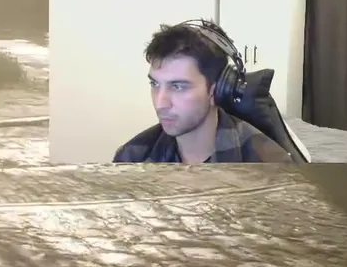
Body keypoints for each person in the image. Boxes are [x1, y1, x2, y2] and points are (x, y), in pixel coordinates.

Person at [113, 22, 292, 163]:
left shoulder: (268, 164)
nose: (160, 104)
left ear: (217, 90)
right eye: (155, 84)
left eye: (178, 86)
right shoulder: (132, 158)